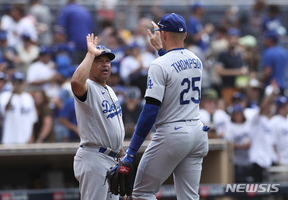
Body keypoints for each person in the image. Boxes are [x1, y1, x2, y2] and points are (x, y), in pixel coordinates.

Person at [120, 13, 209, 199]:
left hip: (173, 133)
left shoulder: (158, 65)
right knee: (189, 196)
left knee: (141, 192)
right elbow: (175, 69)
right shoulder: (196, 60)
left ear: (163, 34)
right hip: (198, 132)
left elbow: (151, 110)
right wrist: (161, 50)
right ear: (184, 35)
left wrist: (132, 151)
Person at [70, 34, 125, 200]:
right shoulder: (89, 88)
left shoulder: (110, 90)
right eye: (99, 61)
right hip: (94, 157)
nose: (105, 64)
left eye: (107, 61)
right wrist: (90, 54)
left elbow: (114, 127)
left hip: (112, 158)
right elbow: (76, 83)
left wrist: (121, 156)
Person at [0, 71, 37, 144]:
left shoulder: (29, 98)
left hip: (25, 139)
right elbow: (5, 110)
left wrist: (32, 136)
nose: (18, 84)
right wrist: (13, 93)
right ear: (12, 83)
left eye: (20, 82)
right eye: (15, 82)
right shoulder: (5, 96)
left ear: (24, 83)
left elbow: (33, 119)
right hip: (9, 139)